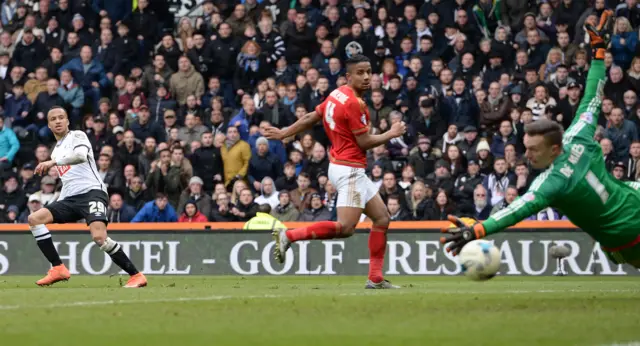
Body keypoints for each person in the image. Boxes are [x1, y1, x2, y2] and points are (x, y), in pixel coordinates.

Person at [443, 12, 640, 268]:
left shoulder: (552, 183)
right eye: (527, 148)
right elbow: (593, 91)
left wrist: (477, 231)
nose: (529, 155)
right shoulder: (578, 133)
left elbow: (516, 211)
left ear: (555, 148)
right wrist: (599, 54)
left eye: (535, 150)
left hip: (626, 237)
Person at [265, 55, 407, 289]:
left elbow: (313, 116)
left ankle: (375, 278)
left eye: (369, 71)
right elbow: (363, 142)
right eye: (360, 73)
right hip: (349, 169)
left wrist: (285, 133)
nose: (366, 77)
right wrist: (391, 133)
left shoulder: (337, 92)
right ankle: (288, 236)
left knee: (381, 218)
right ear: (348, 76)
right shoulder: (355, 103)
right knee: (345, 228)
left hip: (344, 166)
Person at [28, 106, 146, 288]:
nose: (58, 121)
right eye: (53, 119)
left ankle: (136, 275)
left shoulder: (78, 136)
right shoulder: (56, 150)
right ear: (49, 125)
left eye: (61, 117)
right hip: (71, 198)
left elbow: (81, 156)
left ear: (67, 121)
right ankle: (58, 268)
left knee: (99, 237)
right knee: (35, 218)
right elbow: (68, 181)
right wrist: (58, 203)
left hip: (92, 193)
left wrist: (53, 162)